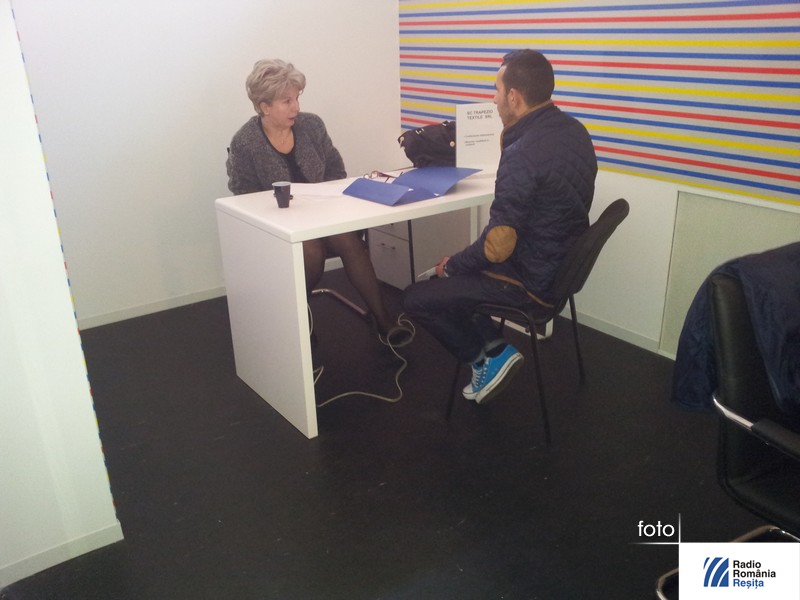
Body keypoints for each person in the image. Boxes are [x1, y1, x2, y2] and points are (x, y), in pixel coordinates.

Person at [404, 49, 598, 404]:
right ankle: (495, 347)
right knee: (458, 276)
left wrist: (453, 266)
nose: (493, 99)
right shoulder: (575, 131)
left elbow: (498, 246)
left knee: (417, 296)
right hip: (559, 268)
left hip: (530, 283)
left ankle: (483, 358)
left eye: (496, 90)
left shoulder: (522, 151)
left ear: (514, 97)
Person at [226, 59, 412, 346]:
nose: (296, 107)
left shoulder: (311, 125)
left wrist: (323, 202)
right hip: (278, 229)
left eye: (297, 98)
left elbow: (337, 170)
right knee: (310, 251)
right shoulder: (245, 142)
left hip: (322, 218)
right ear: (265, 106)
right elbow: (242, 195)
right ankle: (297, 318)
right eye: (287, 101)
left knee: (348, 239)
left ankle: (384, 321)